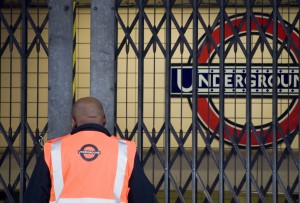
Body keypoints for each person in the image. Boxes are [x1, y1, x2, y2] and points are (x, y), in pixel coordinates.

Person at [24, 97, 155, 203]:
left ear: (74, 121)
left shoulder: (53, 150)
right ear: (104, 119)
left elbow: (35, 196)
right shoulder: (125, 150)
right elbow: (143, 196)